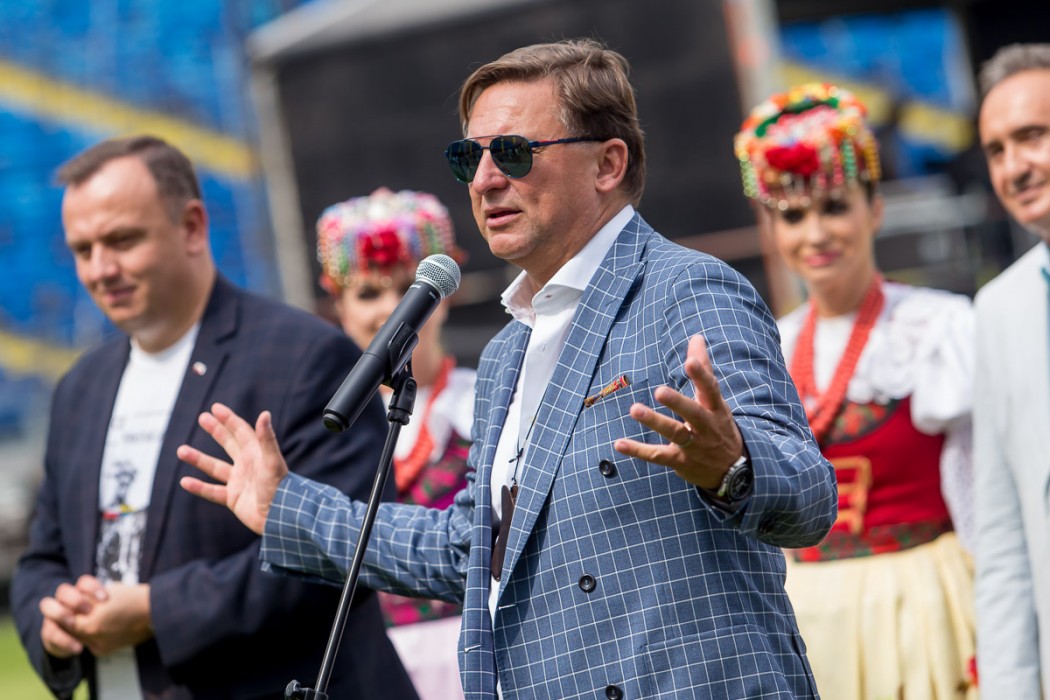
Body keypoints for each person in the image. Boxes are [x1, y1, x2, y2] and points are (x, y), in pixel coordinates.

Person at [179, 38, 838, 699]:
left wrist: (734, 467)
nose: (485, 180)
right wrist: (288, 507)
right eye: (470, 157)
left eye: (515, 153)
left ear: (608, 164)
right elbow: (467, 551)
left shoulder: (685, 290)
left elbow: (808, 496)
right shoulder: (505, 356)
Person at [8, 136, 418, 699]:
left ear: (193, 227)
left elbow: (348, 550)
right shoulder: (81, 386)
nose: (101, 269)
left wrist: (157, 610)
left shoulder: (306, 357)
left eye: (122, 240)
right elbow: (43, 559)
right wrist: (52, 622)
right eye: (83, 249)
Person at [734, 83, 977, 699]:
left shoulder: (938, 328)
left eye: (835, 207)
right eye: (793, 216)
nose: (815, 234)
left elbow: (982, 491)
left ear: (875, 209)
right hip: (807, 613)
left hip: (924, 604)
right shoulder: (765, 345)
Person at [315, 187, 473, 700]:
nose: (394, 309)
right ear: (337, 303)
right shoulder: (322, 427)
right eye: (367, 293)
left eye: (410, 288)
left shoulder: (489, 403)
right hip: (367, 668)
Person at [973, 43, 1050, 699]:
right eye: (996, 150)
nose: (1014, 167)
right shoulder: (998, 309)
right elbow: (1002, 540)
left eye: (1031, 137)